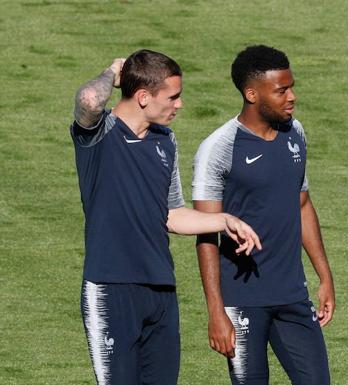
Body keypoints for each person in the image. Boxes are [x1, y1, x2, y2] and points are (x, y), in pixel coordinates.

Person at [71, 49, 261, 385]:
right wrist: (111, 71)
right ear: (143, 97)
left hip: (160, 290)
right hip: (111, 289)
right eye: (173, 96)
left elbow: (172, 214)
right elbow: (88, 100)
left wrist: (225, 220)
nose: (180, 104)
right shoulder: (99, 134)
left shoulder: (165, 141)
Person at [192, 45, 335, 385]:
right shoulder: (219, 148)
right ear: (252, 93)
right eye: (281, 90)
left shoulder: (295, 134)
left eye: (291, 87)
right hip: (242, 301)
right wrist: (216, 311)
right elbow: (205, 233)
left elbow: (302, 205)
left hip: (292, 296)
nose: (292, 97)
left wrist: (324, 276)